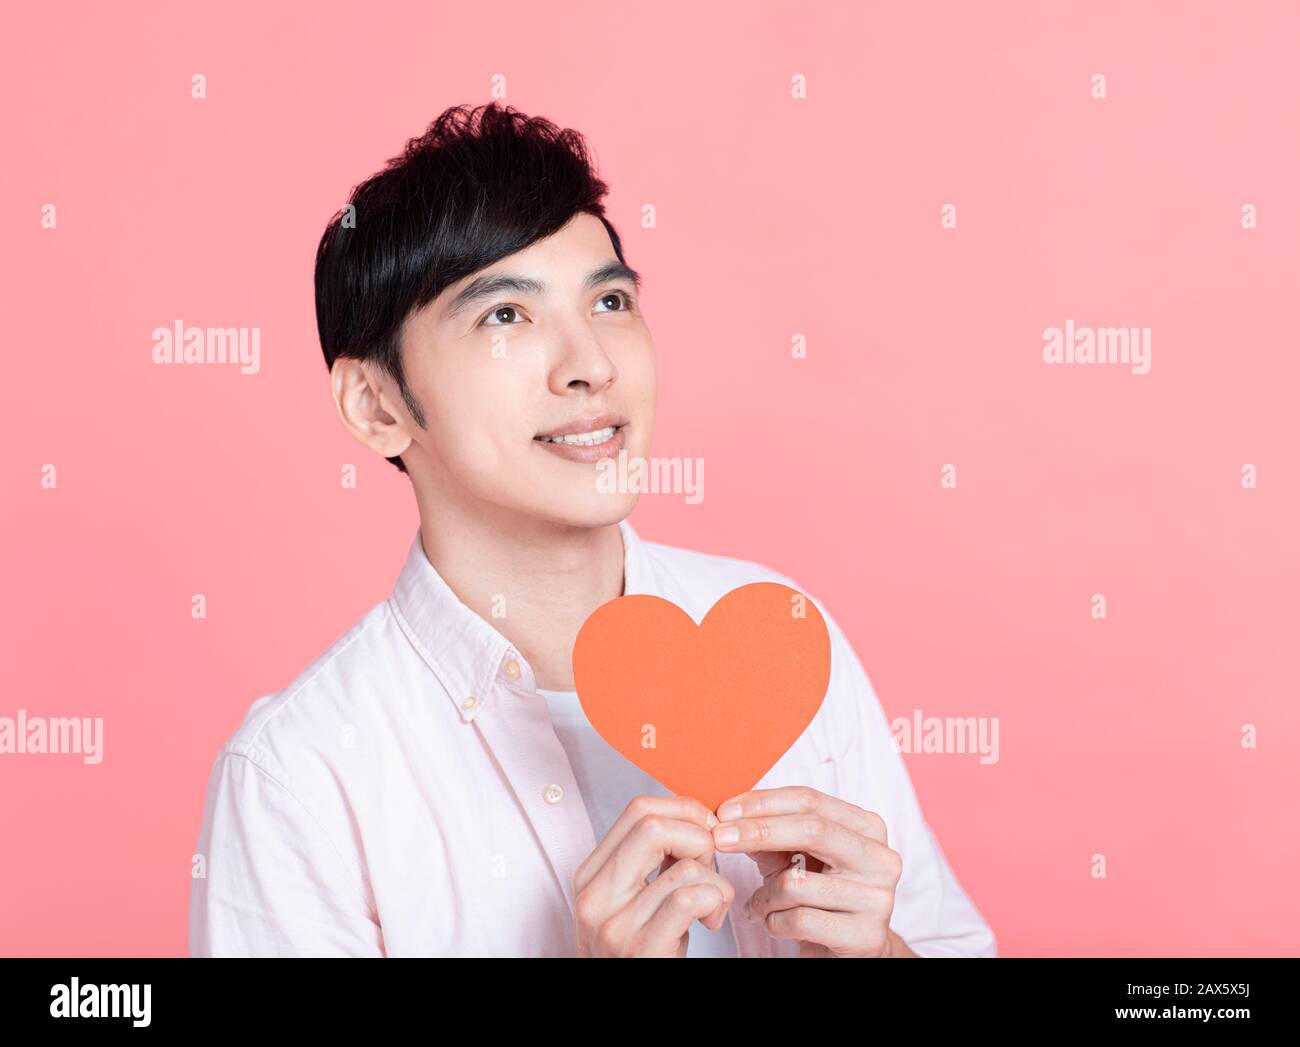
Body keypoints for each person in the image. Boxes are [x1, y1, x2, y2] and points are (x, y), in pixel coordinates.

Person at [188, 103, 996, 958]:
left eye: (610, 300)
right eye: (506, 314)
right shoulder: (300, 777)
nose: (592, 364)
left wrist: (878, 954)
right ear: (378, 405)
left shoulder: (780, 633)